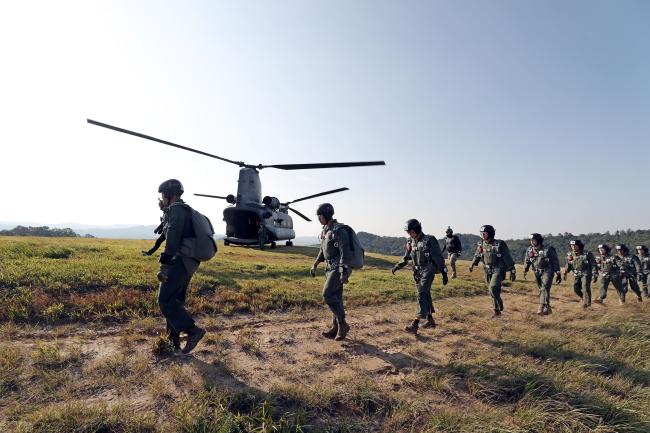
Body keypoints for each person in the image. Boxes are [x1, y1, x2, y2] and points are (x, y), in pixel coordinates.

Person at [156, 179, 206, 353]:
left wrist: (164, 263)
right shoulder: (182, 209)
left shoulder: (176, 210)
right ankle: (172, 343)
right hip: (189, 262)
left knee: (164, 300)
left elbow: (173, 239)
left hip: (181, 261)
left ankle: (193, 331)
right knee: (175, 301)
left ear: (169, 196)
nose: (161, 199)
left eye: (163, 196)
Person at [392, 219, 448, 334]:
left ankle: (415, 324)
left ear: (417, 229)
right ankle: (430, 320)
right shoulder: (410, 241)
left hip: (428, 269)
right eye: (408, 232)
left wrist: (444, 272)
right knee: (425, 294)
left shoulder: (429, 240)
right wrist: (398, 266)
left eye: (411, 231)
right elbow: (407, 257)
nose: (409, 234)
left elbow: (438, 257)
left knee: (421, 293)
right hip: (417, 272)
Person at [310, 203, 352, 341]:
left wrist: (343, 272)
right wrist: (315, 264)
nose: (318, 218)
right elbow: (323, 250)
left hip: (338, 268)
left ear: (325, 216)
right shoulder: (326, 231)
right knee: (336, 298)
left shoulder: (339, 230)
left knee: (327, 294)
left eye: (319, 216)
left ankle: (343, 324)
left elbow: (345, 253)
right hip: (329, 269)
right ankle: (335, 328)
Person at [469, 225, 516, 317]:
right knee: (492, 291)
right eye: (481, 233)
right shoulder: (481, 244)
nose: (482, 235)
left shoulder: (500, 244)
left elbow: (507, 257)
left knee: (493, 287)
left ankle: (499, 305)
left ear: (490, 233)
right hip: (487, 269)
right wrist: (472, 264)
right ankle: (496, 311)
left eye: (484, 233)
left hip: (498, 268)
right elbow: (477, 255)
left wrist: (512, 270)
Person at [523, 233, 561, 315]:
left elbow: (555, 260)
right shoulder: (529, 250)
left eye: (534, 240)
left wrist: (558, 272)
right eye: (530, 240)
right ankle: (547, 307)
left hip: (548, 269)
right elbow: (527, 260)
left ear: (539, 240)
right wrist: (525, 270)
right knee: (542, 289)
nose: (532, 242)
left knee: (545, 287)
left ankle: (541, 307)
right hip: (537, 271)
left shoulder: (548, 249)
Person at [563, 239, 597, 308]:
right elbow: (568, 264)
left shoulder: (587, 253)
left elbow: (593, 264)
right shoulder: (570, 254)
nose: (573, 247)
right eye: (572, 246)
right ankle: (584, 299)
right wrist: (565, 272)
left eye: (575, 246)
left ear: (579, 246)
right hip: (576, 274)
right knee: (576, 288)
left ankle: (588, 305)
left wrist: (594, 273)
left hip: (586, 273)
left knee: (585, 287)